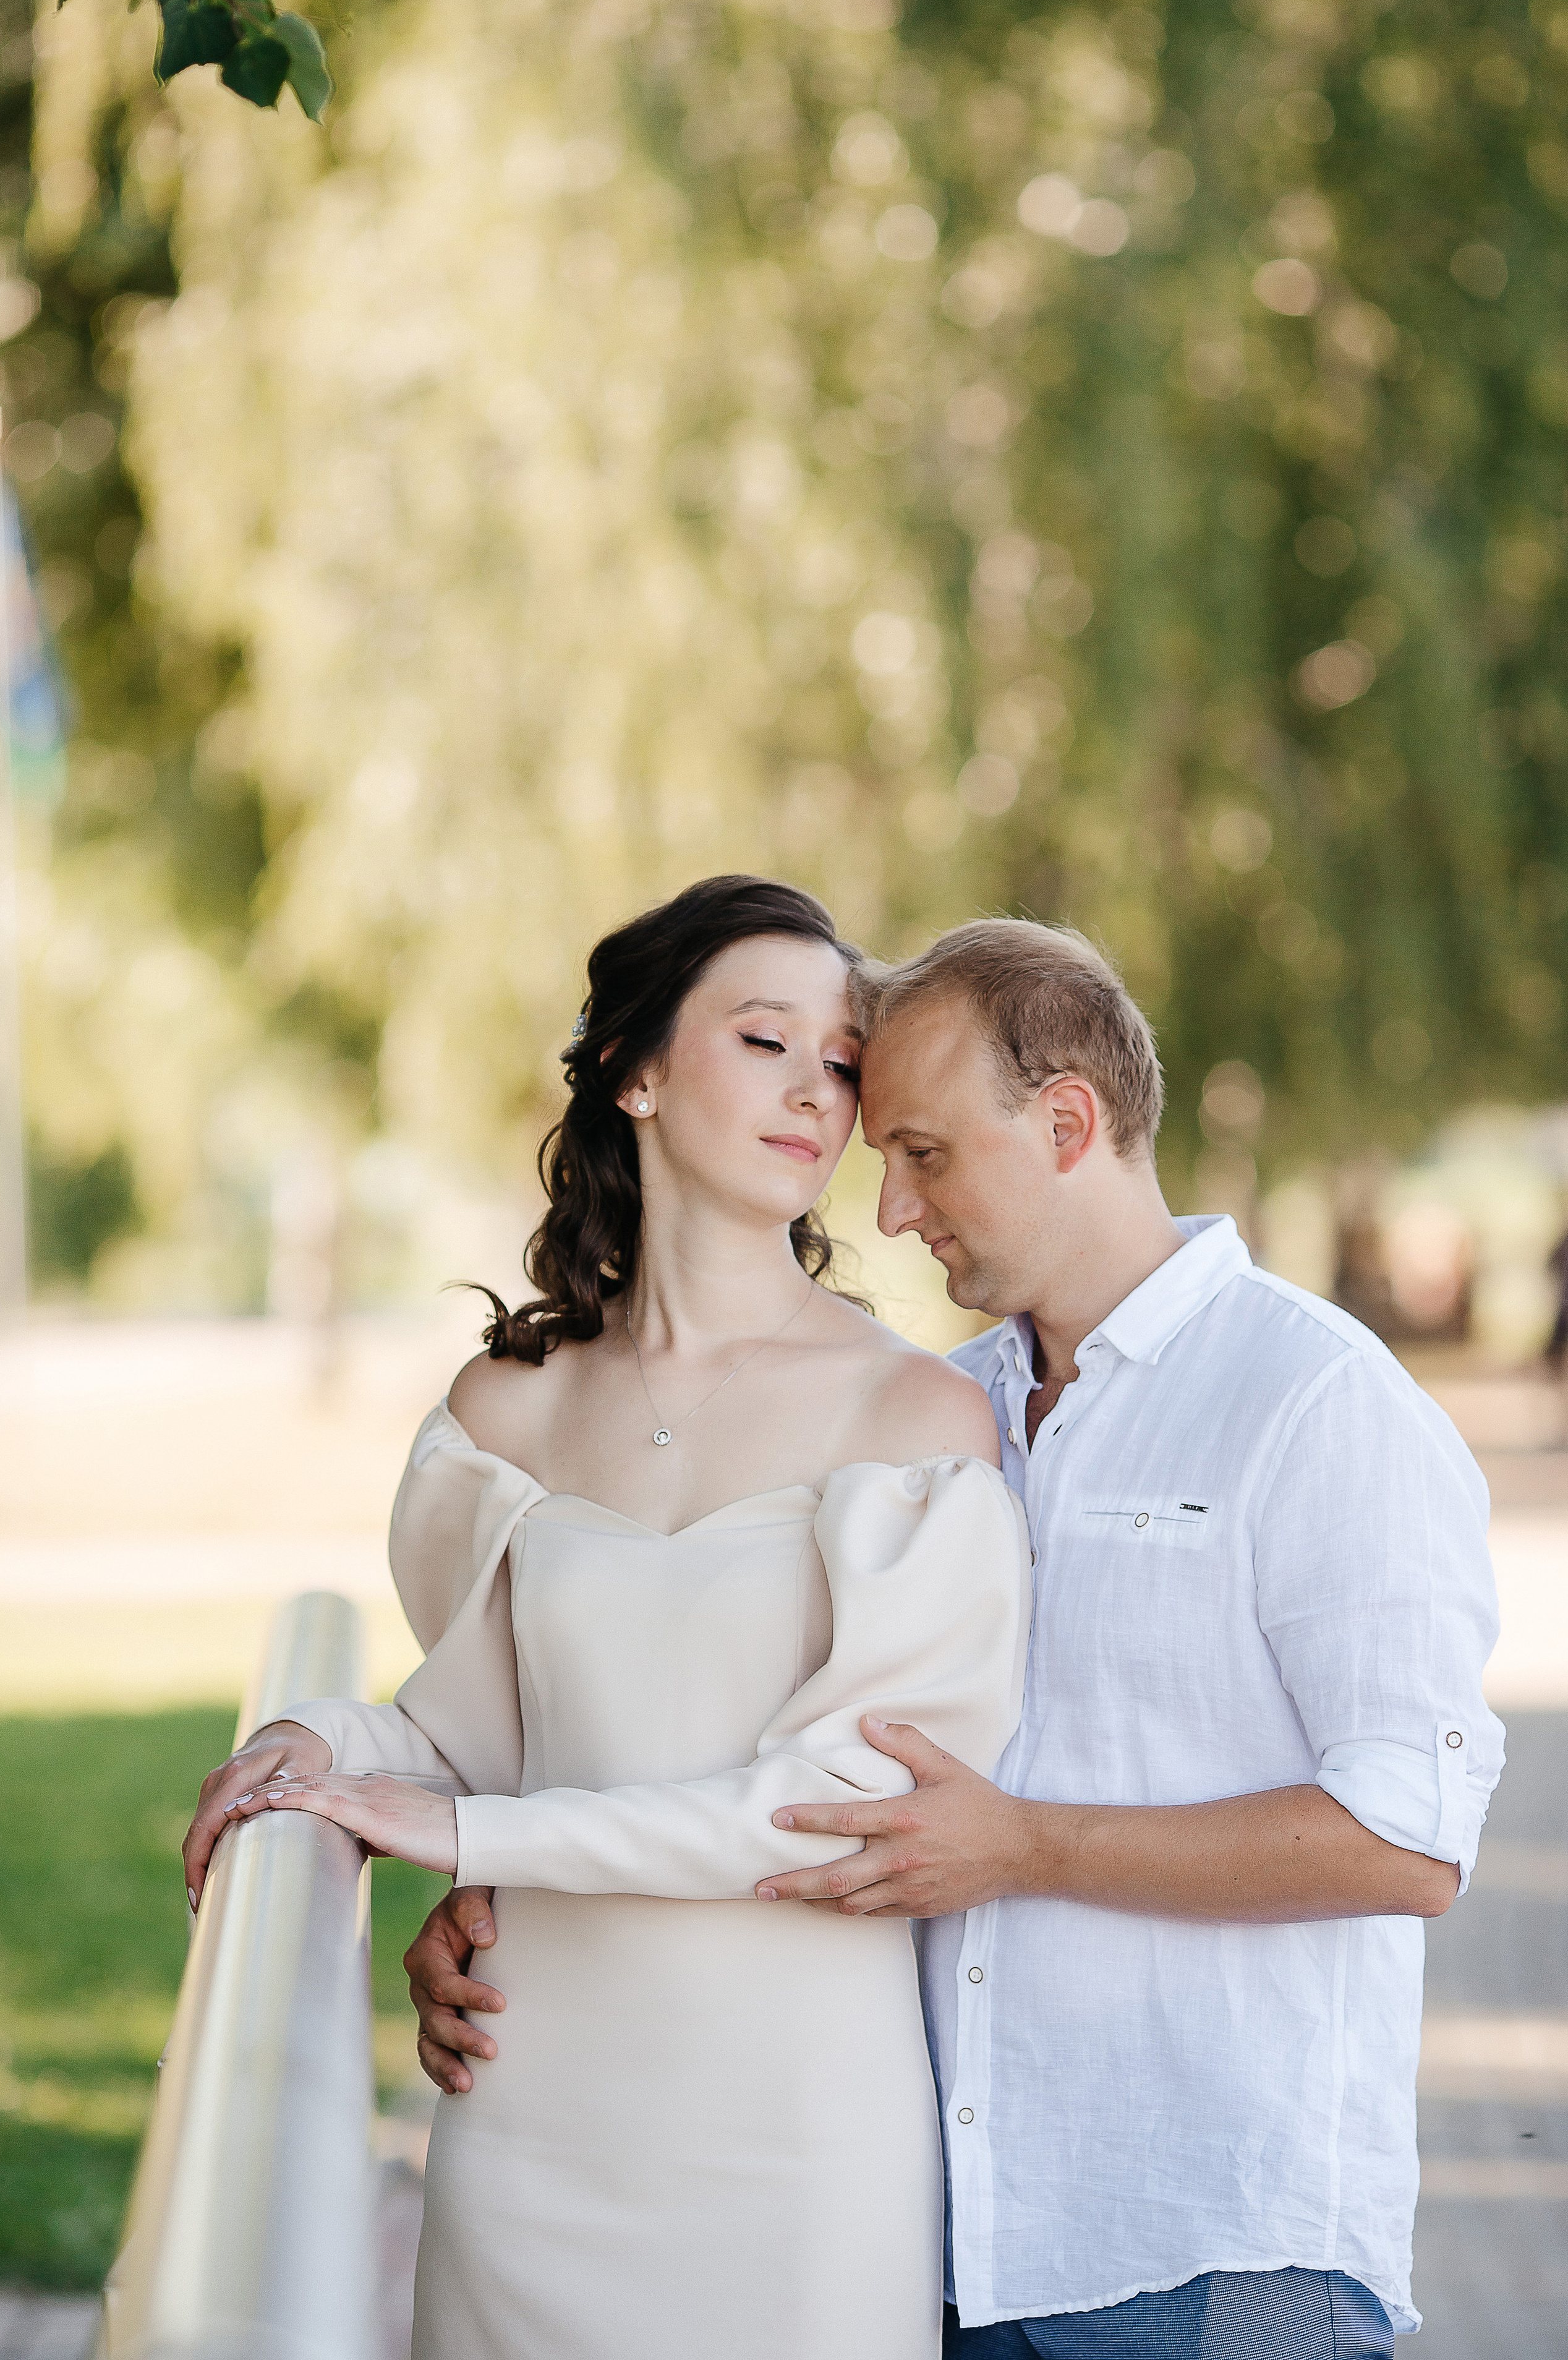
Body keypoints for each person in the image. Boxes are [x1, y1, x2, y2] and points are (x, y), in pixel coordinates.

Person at [411, 915, 1504, 2360]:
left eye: (921, 1154)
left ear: (1065, 1122)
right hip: (960, 2240)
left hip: (1211, 2249)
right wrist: (503, 1884)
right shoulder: (952, 1409)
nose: (893, 1211)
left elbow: (1406, 1842)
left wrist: (1027, 1844)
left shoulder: (1312, 1403)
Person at [180, 875, 1031, 2360]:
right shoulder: (502, 1409)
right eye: (763, 1040)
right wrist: (309, 1742)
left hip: (797, 2151)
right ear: (634, 1072)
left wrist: (469, 1840)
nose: (812, 1093)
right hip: (528, 2110)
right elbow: (464, 1733)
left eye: (839, 1062)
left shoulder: (912, 1414)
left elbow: (838, 1814)